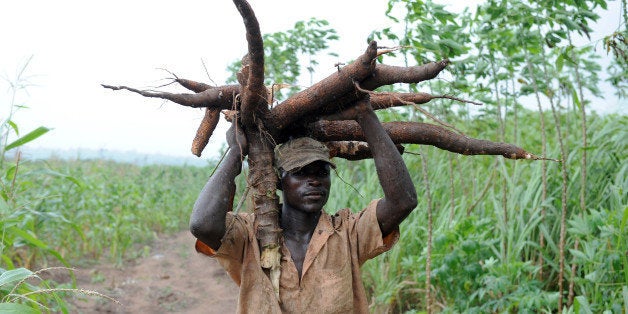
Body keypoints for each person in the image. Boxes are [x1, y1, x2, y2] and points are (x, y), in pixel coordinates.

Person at [189, 99, 417, 313]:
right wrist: (236, 151)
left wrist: (365, 114)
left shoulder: (348, 233)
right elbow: (202, 224)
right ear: (280, 181)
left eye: (322, 172)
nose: (314, 180)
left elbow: (402, 201)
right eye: (300, 172)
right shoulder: (250, 235)